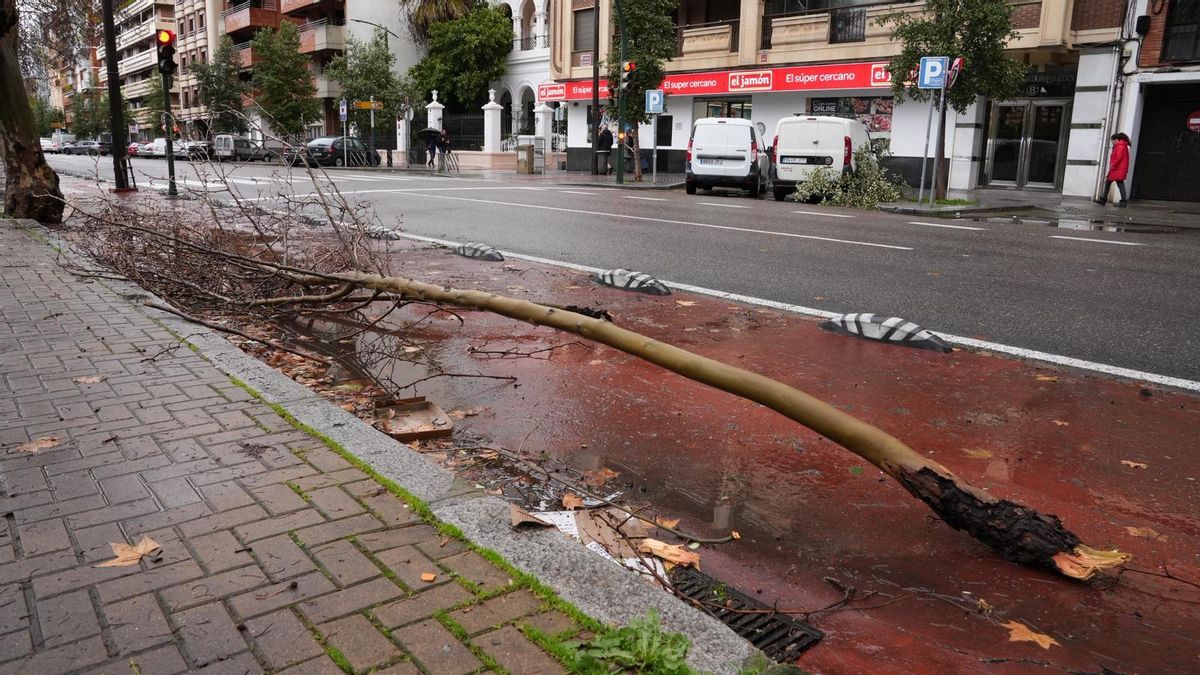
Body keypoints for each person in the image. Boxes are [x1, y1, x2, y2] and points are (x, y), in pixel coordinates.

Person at [1095, 132, 1131, 207]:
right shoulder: (1121, 146)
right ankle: (1104, 200)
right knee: (1109, 183)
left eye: (1113, 141)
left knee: (1119, 184)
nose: (1112, 142)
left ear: (1116, 140)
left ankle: (1122, 202)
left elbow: (1118, 158)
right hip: (1117, 169)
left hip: (1117, 169)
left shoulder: (1120, 146)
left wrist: (1113, 165)